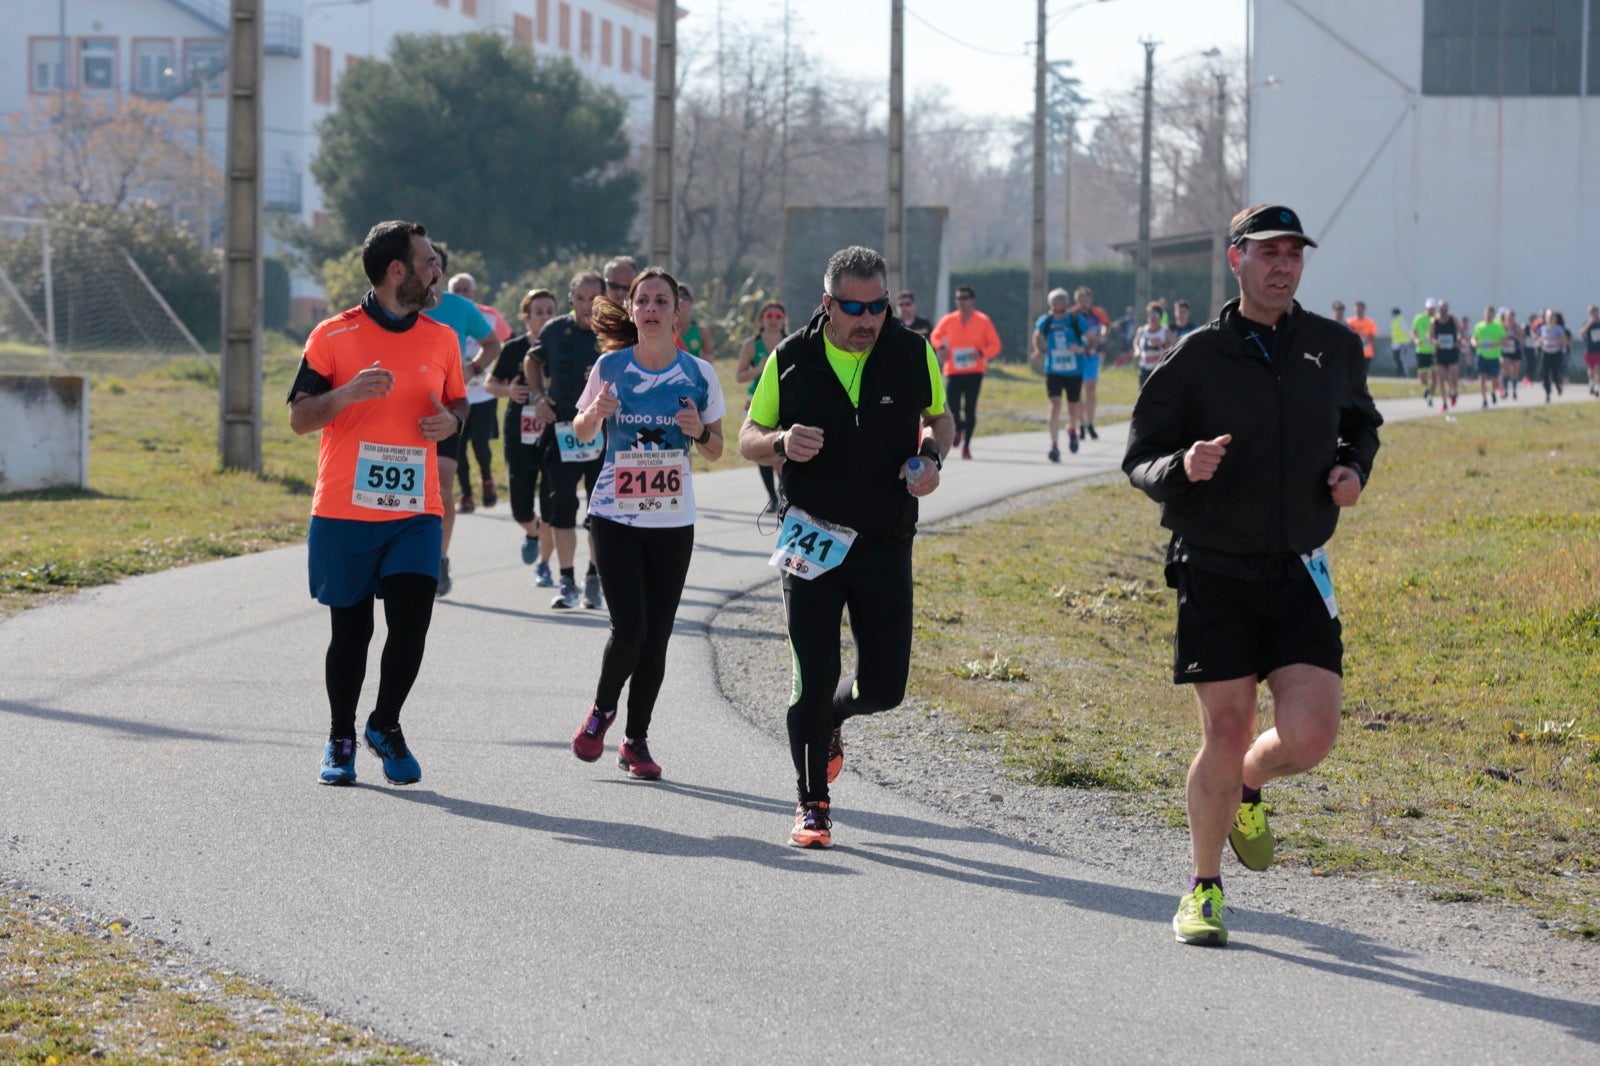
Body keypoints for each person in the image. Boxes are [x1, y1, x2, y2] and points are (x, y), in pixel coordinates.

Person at [1123, 204, 1382, 947]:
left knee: (1311, 735)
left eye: (1294, 254)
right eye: (1269, 252)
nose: (1283, 266)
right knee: (1228, 726)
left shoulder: (1333, 346)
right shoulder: (1196, 357)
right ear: (1236, 259)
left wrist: (1353, 468)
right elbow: (1139, 456)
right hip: (1214, 567)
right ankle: (1203, 888)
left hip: (1299, 569)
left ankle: (1250, 783)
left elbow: (1361, 424)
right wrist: (1182, 465)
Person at [738, 245, 953, 848]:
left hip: (886, 539)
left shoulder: (912, 352)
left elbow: (939, 418)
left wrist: (931, 457)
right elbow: (748, 435)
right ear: (827, 303)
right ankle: (812, 804)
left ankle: (835, 716)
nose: (867, 320)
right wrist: (781, 442)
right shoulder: (791, 358)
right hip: (812, 535)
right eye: (854, 308)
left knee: (884, 689)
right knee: (814, 674)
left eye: (877, 306)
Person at [287, 219, 467, 787]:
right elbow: (299, 417)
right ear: (396, 271)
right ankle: (341, 735)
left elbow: (459, 402)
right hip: (345, 510)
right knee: (352, 633)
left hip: (416, 510)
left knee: (412, 623)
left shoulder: (442, 338)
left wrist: (451, 422)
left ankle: (384, 724)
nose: (437, 271)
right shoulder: (332, 335)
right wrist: (347, 394)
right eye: (428, 262)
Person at [568, 267, 727, 779]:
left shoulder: (699, 374)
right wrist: (595, 412)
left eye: (662, 301)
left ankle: (635, 741)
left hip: (673, 521)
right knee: (630, 628)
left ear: (677, 311)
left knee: (656, 637)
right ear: (632, 310)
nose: (652, 309)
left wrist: (698, 430)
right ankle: (601, 711)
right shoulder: (610, 367)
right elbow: (581, 430)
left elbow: (717, 449)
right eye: (643, 301)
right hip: (614, 515)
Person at [423, 245, 502, 597]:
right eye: (424, 263)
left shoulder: (461, 308)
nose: (430, 271)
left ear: (441, 270)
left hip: (447, 408)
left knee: (442, 486)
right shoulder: (402, 306)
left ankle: (439, 559)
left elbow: (492, 344)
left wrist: (470, 370)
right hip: (404, 411)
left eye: (435, 264)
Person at [525, 271, 606, 609]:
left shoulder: (616, 332)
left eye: (594, 299)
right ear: (571, 299)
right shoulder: (554, 329)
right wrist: (538, 397)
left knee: (599, 511)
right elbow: (532, 361)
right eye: (580, 298)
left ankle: (594, 577)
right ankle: (567, 580)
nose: (587, 306)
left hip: (603, 432)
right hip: (562, 431)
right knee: (562, 507)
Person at [487, 289, 560, 582]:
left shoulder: (562, 345)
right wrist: (509, 391)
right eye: (539, 312)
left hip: (553, 430)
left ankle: (545, 565)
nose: (545, 317)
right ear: (526, 317)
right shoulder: (514, 348)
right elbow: (490, 384)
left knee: (552, 503)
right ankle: (533, 531)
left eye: (550, 311)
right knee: (520, 507)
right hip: (519, 432)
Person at [446, 272, 510, 516]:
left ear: (474, 292)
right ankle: (467, 495)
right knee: (459, 447)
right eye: (457, 290)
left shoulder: (490, 315)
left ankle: (487, 478)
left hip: (483, 393)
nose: (462, 294)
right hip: (457, 393)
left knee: (481, 443)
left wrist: (500, 373)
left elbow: (506, 344)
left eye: (466, 289)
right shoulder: (446, 313)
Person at [930, 284, 1001, 459]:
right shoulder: (948, 320)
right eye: (958, 298)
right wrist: (941, 348)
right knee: (952, 407)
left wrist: (981, 353)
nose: (961, 301)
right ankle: (958, 429)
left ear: (972, 300)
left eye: (964, 298)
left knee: (970, 409)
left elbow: (995, 344)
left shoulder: (982, 320)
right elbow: (935, 336)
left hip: (974, 371)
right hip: (953, 371)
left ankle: (967, 445)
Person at [735, 301, 790, 512]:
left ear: (784, 320)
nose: (773, 320)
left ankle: (785, 493)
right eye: (769, 316)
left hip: (784, 403)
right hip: (756, 403)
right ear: (761, 319)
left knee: (782, 450)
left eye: (778, 316)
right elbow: (739, 376)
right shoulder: (751, 344)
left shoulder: (792, 342)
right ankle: (772, 497)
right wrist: (758, 369)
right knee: (762, 450)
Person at [1030, 287, 1091, 460]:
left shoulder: (1075, 319)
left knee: (1073, 406)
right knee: (1054, 404)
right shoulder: (1046, 321)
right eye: (1055, 301)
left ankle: (1072, 429)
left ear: (1066, 302)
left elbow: (1092, 339)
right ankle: (1054, 446)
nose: (1058, 304)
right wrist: (1038, 349)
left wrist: (1080, 348)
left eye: (1061, 301)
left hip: (1074, 370)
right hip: (1053, 370)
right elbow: (1037, 335)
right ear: (1050, 303)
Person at [1072, 285, 1109, 438]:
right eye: (1080, 300)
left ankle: (1090, 422)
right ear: (1076, 301)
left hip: (1093, 356)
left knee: (1090, 389)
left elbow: (1106, 326)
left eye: (1085, 300)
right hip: (1077, 356)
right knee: (1077, 390)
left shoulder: (1098, 313)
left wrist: (1103, 336)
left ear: (1090, 300)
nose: (1083, 303)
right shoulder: (1072, 314)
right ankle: (1081, 423)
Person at [1132, 300, 1177, 390]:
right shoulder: (1142, 330)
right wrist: (1137, 350)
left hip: (1160, 370)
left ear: (1160, 317)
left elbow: (1174, 347)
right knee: (1144, 395)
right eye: (1150, 314)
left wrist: (1161, 344)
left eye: (1154, 315)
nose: (1151, 318)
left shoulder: (1165, 331)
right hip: (1145, 370)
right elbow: (1136, 342)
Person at [1471, 304, 1505, 408]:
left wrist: (1497, 344)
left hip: (1494, 356)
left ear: (1493, 315)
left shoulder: (1498, 326)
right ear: (1484, 314)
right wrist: (1474, 343)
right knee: (1482, 378)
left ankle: (1493, 392)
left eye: (1490, 314)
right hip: (1481, 355)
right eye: (1487, 313)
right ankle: (1484, 400)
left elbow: (1504, 339)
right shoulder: (1479, 326)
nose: (1488, 315)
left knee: (1494, 379)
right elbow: (1474, 338)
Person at [1429, 299, 1461, 409]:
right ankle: (1444, 403)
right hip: (1440, 352)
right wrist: (1436, 342)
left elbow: (1460, 333)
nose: (1443, 310)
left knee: (1453, 377)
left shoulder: (1453, 319)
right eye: (1441, 308)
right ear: (1438, 309)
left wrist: (1458, 342)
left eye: (1445, 307)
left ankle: (1453, 392)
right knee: (1441, 378)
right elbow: (1430, 337)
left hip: (1452, 352)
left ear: (1448, 309)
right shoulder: (1434, 321)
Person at [673, 283, 716, 361]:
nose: (680, 301)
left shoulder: (701, 331)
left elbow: (710, 354)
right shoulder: (663, 331)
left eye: (684, 297)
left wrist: (698, 362)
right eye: (677, 297)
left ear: (691, 302)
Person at [1537, 309, 1570, 402]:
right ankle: (1547, 393)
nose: (1550, 319)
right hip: (1546, 353)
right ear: (1546, 318)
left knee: (1555, 374)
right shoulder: (1543, 328)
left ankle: (1558, 386)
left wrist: (1556, 339)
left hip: (1556, 353)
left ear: (1555, 318)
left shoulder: (1559, 329)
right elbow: (1539, 339)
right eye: (1548, 317)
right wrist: (1539, 341)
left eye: (1552, 317)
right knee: (1545, 374)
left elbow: (1565, 341)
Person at [1412, 299, 1438, 405]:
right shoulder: (1419, 318)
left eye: (1432, 308)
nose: (1430, 310)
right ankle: (1427, 389)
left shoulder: (1437, 319)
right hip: (1421, 351)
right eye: (1429, 308)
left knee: (1435, 376)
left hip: (1434, 352)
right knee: (1422, 377)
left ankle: (1430, 397)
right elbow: (1413, 331)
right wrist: (1416, 339)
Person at [1499, 308, 1523, 400]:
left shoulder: (1517, 327)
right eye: (1508, 317)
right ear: (1505, 318)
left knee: (1515, 372)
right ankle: (1505, 390)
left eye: (1512, 317)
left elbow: (1522, 339)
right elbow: (1498, 337)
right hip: (1505, 351)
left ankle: (1514, 390)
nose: (1510, 319)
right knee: (1505, 371)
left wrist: (1514, 335)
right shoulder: (1501, 326)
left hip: (1516, 350)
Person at [1346, 300, 1377, 365]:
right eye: (1356, 309)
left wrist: (1370, 344)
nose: (1358, 311)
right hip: (1353, 352)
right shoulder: (1349, 322)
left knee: (1363, 370)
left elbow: (1373, 337)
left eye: (1360, 309)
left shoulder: (1370, 322)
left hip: (1366, 353)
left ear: (1364, 309)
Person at [1580, 305, 1600, 396]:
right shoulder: (1587, 322)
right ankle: (1591, 383)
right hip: (1589, 349)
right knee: (1591, 369)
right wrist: (1589, 324)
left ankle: (1597, 387)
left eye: (1595, 312)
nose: (1594, 314)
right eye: (1591, 312)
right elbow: (1582, 333)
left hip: (1599, 349)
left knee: (1598, 368)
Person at [1388, 307, 1410, 378]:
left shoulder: (1401, 320)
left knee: (1401, 359)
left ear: (1395, 313)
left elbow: (1407, 331)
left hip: (1402, 343)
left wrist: (1408, 341)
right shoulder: (1394, 321)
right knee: (1397, 359)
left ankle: (1405, 373)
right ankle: (1399, 372)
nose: (1391, 315)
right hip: (1395, 344)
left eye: (1392, 314)